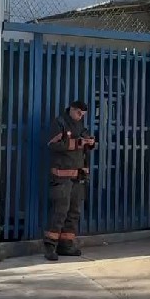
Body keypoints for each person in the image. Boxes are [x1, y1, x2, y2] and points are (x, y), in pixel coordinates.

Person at [44, 100, 96, 261]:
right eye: (79, 113)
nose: (80, 117)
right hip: (61, 177)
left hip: (77, 177)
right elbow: (52, 145)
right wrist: (78, 143)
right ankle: (50, 247)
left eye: (83, 115)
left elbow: (85, 142)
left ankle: (66, 245)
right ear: (72, 109)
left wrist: (91, 143)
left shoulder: (80, 126)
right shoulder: (59, 123)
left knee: (74, 212)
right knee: (60, 211)